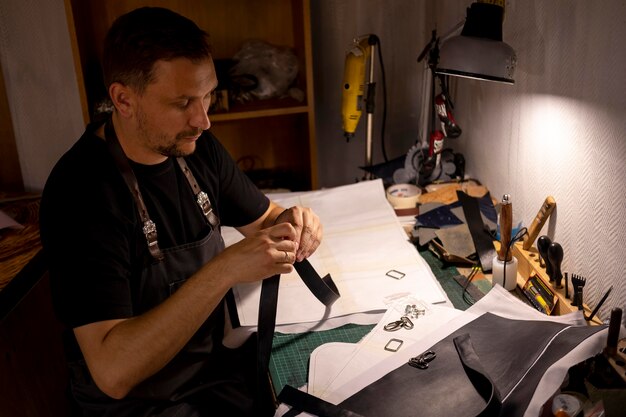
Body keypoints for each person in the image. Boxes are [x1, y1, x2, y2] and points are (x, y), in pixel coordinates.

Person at [40, 6, 322, 417]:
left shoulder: (194, 146)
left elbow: (264, 219)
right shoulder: (81, 195)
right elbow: (113, 373)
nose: (203, 120)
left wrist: (294, 222)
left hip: (210, 373)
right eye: (183, 102)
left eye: (207, 95)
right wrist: (225, 269)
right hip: (139, 405)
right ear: (123, 99)